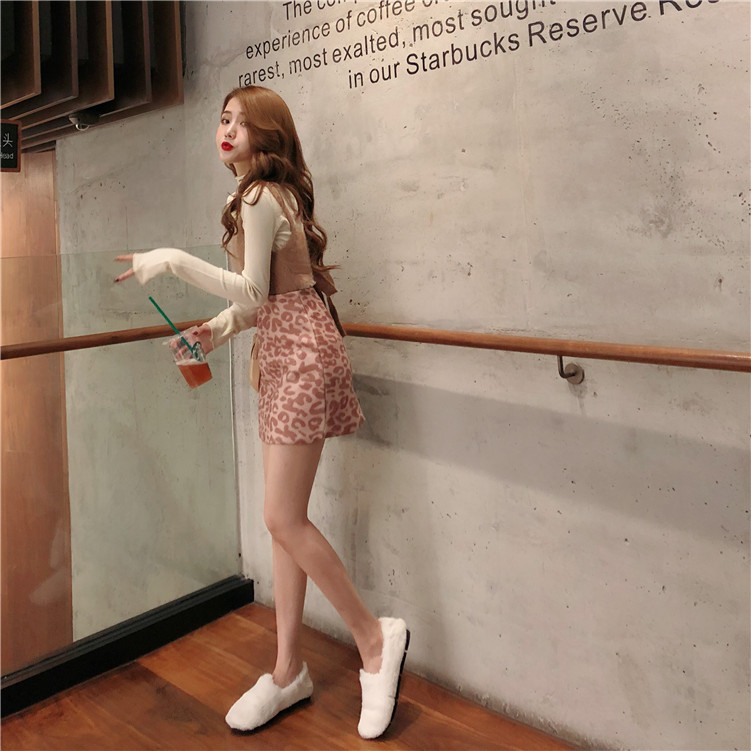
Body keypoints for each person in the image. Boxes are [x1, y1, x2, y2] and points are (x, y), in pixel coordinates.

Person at [114, 85, 409, 739]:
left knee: (281, 517)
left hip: (298, 356)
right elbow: (261, 300)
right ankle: (287, 670)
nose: (227, 129)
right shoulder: (266, 195)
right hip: (287, 351)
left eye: (242, 122)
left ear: (267, 135)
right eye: (223, 118)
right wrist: (213, 332)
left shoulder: (258, 196)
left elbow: (252, 289)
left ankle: (373, 638)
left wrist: (172, 259)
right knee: (284, 522)